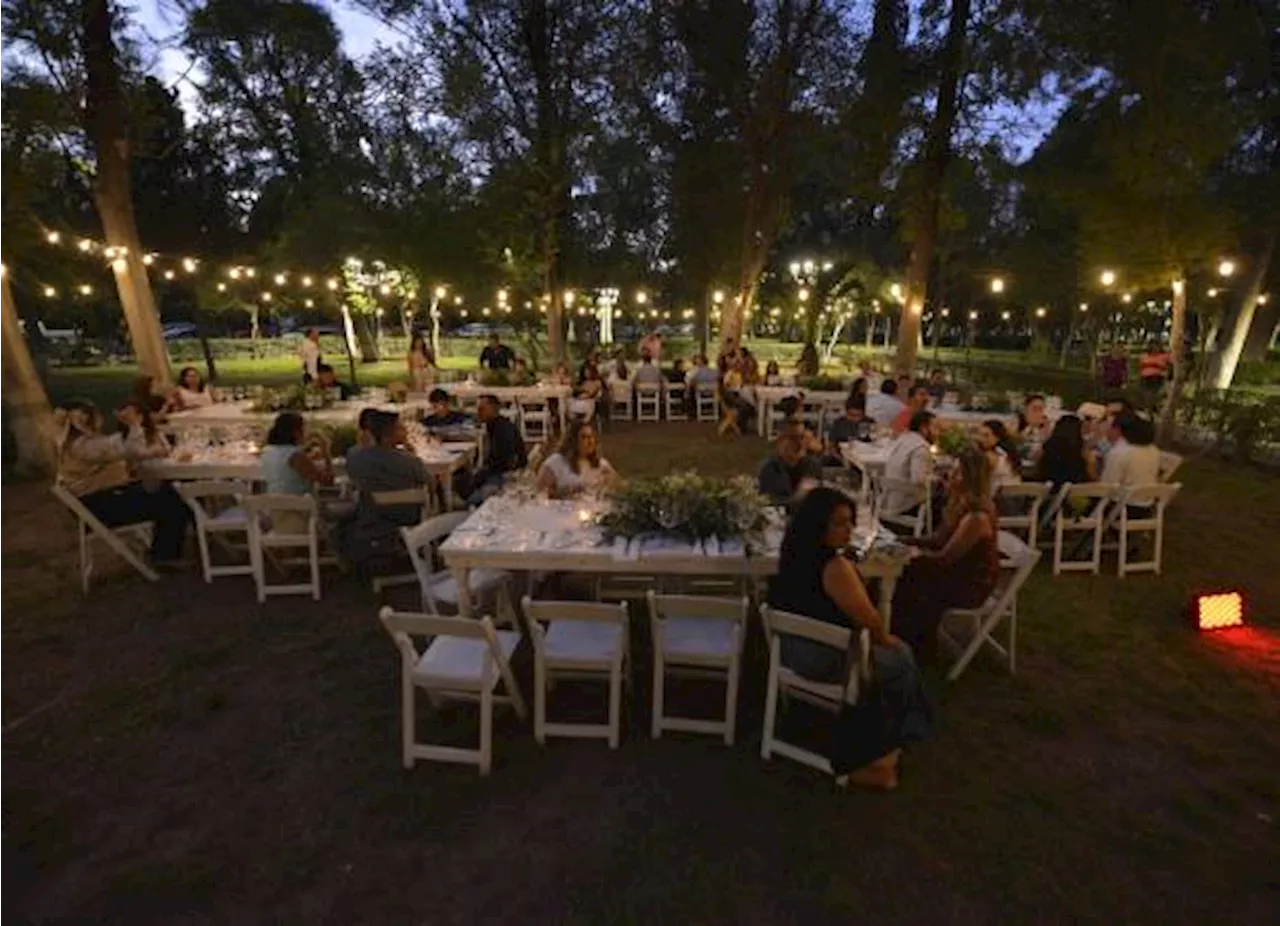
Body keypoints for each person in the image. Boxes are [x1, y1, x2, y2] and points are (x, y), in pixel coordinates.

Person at [766, 487, 932, 790]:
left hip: (789, 649)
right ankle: (884, 755)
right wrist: (884, 637)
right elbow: (871, 622)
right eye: (839, 523)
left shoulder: (793, 554)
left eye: (849, 522)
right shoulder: (834, 568)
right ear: (819, 525)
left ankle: (901, 737)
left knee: (897, 657)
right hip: (825, 657)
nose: (849, 530)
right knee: (900, 656)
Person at [892, 447, 1001, 658]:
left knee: (904, 576)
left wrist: (911, 556)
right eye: (952, 470)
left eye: (957, 472)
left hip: (970, 583)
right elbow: (937, 540)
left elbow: (945, 559)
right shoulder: (960, 503)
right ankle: (908, 637)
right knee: (901, 573)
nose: (950, 475)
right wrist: (901, 539)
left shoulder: (977, 516)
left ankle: (915, 644)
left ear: (972, 479)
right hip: (955, 569)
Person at [53, 399, 189, 565]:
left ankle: (168, 547)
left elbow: (118, 446)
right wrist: (134, 425)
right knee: (171, 500)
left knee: (166, 489)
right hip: (99, 508)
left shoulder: (78, 443)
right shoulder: (83, 446)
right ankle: (165, 556)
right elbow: (131, 451)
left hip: (100, 498)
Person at [345, 409, 431, 531]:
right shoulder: (408, 460)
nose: (405, 430)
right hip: (407, 515)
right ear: (388, 434)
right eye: (400, 428)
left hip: (372, 515)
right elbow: (428, 480)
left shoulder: (354, 457)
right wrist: (408, 446)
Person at [261, 412, 334, 511]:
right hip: (298, 510)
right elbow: (327, 481)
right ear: (296, 432)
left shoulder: (267, 450)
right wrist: (326, 451)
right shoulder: (295, 456)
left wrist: (306, 448)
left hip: (274, 508)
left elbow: (286, 465)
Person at [465, 394, 528, 504]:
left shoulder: (503, 430)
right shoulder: (494, 426)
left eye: (482, 409)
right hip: (497, 473)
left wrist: (479, 476)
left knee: (471, 499)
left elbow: (505, 463)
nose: (478, 412)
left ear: (494, 409)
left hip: (505, 478)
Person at [537, 420, 618, 499]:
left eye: (592, 437)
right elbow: (541, 493)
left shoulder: (601, 465)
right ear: (573, 440)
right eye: (584, 437)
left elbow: (617, 488)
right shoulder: (556, 463)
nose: (590, 441)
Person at [883, 411, 937, 519]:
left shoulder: (903, 439)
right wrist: (938, 478)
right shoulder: (921, 448)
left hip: (891, 499)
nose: (937, 433)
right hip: (907, 506)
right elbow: (919, 479)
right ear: (924, 428)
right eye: (935, 428)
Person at [1099, 412, 1161, 490]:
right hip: (1148, 498)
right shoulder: (1153, 450)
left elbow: (1106, 486)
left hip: (1121, 500)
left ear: (1117, 429)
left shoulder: (1119, 452)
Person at [1034, 414, 1097, 490]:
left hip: (1047, 494)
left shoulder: (1047, 449)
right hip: (1077, 495)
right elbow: (1092, 480)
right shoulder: (1082, 452)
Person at [757, 433, 822, 505]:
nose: (795, 444)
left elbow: (805, 496)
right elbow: (766, 498)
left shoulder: (811, 464)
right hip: (776, 511)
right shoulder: (770, 467)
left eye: (799, 439)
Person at [977, 419, 1021, 492]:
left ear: (997, 437)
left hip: (1000, 499)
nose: (982, 439)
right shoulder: (1007, 453)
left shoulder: (990, 456)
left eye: (986, 436)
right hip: (1015, 497)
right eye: (980, 435)